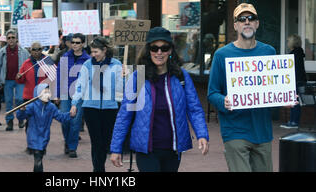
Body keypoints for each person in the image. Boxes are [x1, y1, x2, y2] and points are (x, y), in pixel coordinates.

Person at [109, 27, 209, 172]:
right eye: (154, 48)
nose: (159, 52)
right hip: (146, 149)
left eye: (164, 48)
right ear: (148, 51)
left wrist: (202, 134)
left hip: (173, 149)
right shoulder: (138, 77)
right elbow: (124, 115)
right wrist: (116, 148)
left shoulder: (181, 76)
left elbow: (194, 108)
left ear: (170, 51)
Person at [207, 3, 278, 172]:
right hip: (235, 131)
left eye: (251, 18)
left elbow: (275, 89)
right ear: (235, 25)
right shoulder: (222, 55)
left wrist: (286, 98)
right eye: (242, 19)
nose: (247, 22)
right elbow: (212, 92)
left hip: (262, 132)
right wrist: (223, 100)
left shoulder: (269, 52)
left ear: (257, 23)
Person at [70, 37, 123, 172]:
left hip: (109, 108)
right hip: (90, 107)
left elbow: (120, 89)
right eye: (92, 52)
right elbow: (80, 86)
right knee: (96, 141)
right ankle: (98, 170)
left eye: (96, 52)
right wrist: (75, 103)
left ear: (104, 50)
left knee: (105, 142)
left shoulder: (116, 64)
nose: (93, 55)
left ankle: (99, 167)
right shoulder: (87, 64)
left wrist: (123, 79)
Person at [16, 84, 73, 172]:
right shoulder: (32, 106)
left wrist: (70, 115)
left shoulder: (51, 107)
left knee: (39, 157)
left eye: (48, 92)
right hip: (33, 135)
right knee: (38, 157)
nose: (47, 94)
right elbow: (21, 117)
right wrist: (21, 110)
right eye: (44, 92)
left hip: (45, 136)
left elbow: (60, 117)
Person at [54, 33, 90, 158]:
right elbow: (59, 77)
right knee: (65, 120)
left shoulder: (88, 60)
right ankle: (67, 141)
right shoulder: (65, 57)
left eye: (77, 42)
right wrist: (56, 94)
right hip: (64, 93)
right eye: (73, 42)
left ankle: (72, 147)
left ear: (83, 44)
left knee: (75, 122)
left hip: (79, 95)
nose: (74, 44)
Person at [0, 29, 30, 131]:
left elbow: (28, 65)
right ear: (6, 39)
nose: (11, 40)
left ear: (16, 39)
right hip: (7, 80)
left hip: (20, 80)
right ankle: (9, 121)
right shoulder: (2, 51)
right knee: (9, 101)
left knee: (20, 99)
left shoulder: (24, 51)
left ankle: (20, 118)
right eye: (9, 38)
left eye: (13, 38)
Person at [280, 34, 307, 129]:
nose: (287, 43)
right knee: (294, 100)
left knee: (294, 101)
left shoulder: (294, 54)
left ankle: (294, 122)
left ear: (292, 42)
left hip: (296, 80)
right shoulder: (297, 53)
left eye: (288, 41)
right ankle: (292, 121)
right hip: (298, 80)